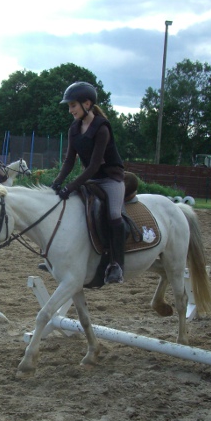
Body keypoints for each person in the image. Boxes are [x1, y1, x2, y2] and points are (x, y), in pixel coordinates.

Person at [51, 81, 126, 283]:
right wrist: (57, 182)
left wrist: (71, 186)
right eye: (69, 106)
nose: (70, 110)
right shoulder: (74, 129)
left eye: (73, 105)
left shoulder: (102, 128)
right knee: (73, 209)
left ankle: (117, 264)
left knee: (114, 215)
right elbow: (69, 161)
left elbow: (93, 166)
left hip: (111, 179)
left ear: (87, 104)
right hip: (92, 180)